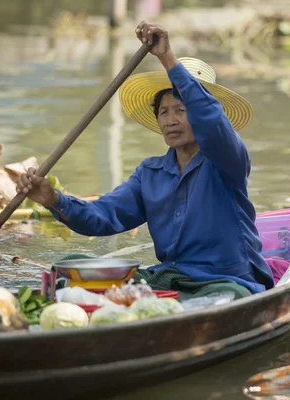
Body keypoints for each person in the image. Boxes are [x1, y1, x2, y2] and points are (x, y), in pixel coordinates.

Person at [16, 21, 274, 300]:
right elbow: (103, 217)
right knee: (70, 266)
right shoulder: (150, 174)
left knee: (221, 299)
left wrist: (167, 57)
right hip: (171, 278)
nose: (171, 120)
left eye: (181, 109)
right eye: (163, 112)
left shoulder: (226, 160)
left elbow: (211, 120)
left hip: (226, 281)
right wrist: (54, 199)